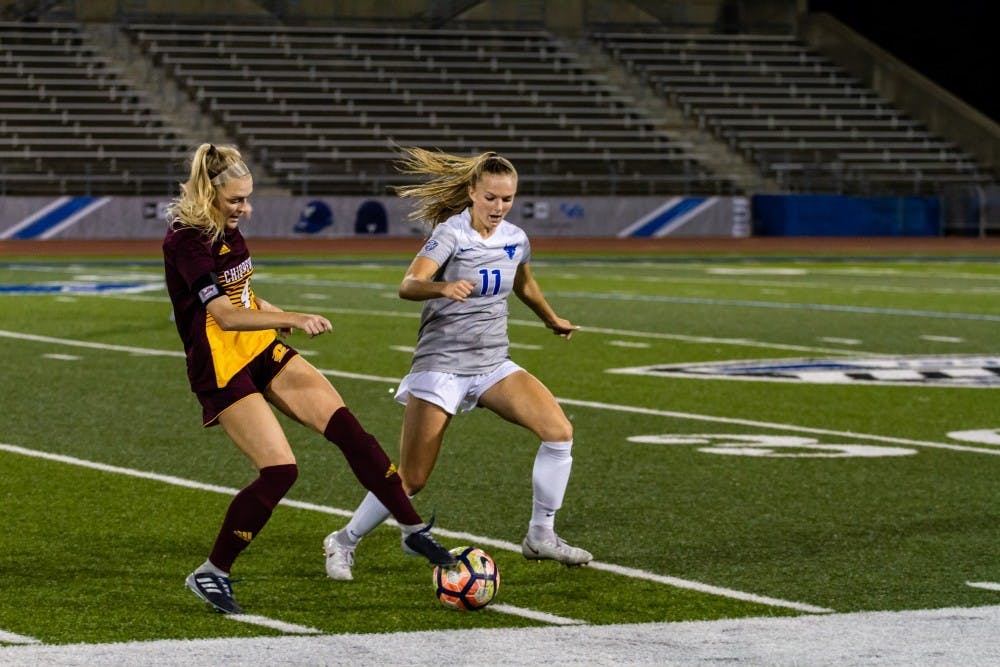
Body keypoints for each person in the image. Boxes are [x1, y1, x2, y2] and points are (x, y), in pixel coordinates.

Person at [162, 143, 455, 614]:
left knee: (351, 432)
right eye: (236, 200)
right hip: (220, 364)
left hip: (260, 348)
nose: (245, 208)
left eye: (248, 198)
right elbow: (224, 316)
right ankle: (212, 572)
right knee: (280, 471)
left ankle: (413, 531)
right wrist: (295, 318)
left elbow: (244, 296)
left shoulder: (229, 230)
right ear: (208, 193)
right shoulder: (186, 240)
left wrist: (274, 314)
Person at [323, 147, 592, 581]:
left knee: (559, 432)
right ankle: (343, 540)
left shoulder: (516, 238)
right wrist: (442, 289)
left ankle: (540, 534)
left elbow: (524, 283)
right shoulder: (450, 234)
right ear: (471, 193)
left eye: (507, 199)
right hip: (442, 366)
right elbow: (408, 285)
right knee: (411, 478)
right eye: (490, 198)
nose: (498, 207)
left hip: (491, 364)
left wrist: (551, 319)